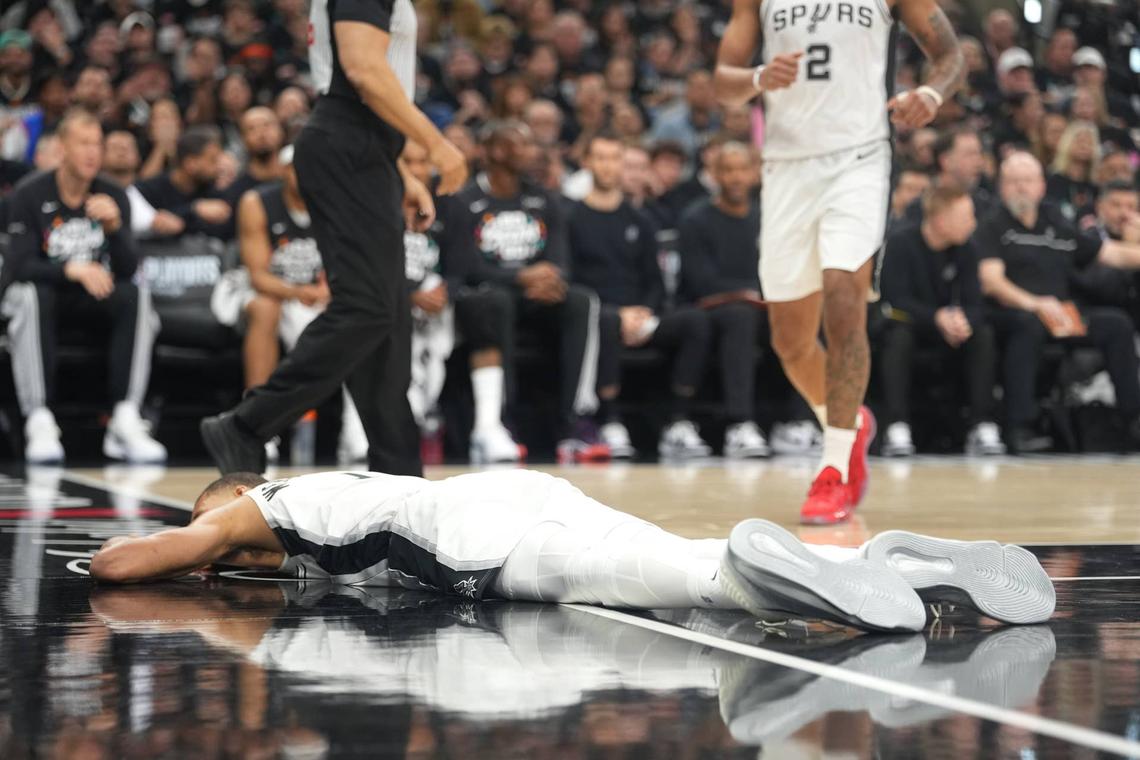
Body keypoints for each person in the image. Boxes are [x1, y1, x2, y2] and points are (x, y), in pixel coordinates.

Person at [87, 468, 1057, 634]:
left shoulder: (264, 503)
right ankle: (892, 563)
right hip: (517, 499)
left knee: (679, 586)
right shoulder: (339, 495)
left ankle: (754, 565)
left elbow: (145, 556)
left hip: (482, 542)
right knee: (646, 553)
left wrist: (100, 562)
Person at [714, 0, 964, 523]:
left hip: (859, 158)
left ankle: (833, 468)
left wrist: (931, 93)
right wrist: (759, 76)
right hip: (785, 168)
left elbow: (950, 54)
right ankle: (848, 421)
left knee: (844, 293)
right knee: (791, 340)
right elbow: (723, 83)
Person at [199, 0, 468, 476]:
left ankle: (398, 472)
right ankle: (247, 423)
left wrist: (399, 174)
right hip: (348, 143)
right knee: (365, 307)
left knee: (387, 317)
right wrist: (436, 143)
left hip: (367, 150)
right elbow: (363, 70)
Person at [0, 109, 164, 464]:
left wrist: (116, 229)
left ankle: (125, 416)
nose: (93, 152)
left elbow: (126, 268)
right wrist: (70, 270)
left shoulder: (112, 195)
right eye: (83, 144)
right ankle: (38, 417)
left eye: (97, 145)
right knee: (30, 295)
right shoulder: (29, 194)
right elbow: (17, 267)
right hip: (44, 295)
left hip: (92, 299)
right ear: (62, 148)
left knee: (136, 296)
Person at [444, 121, 607, 464]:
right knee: (495, 301)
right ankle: (501, 420)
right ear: (493, 152)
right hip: (488, 295)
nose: (531, 152)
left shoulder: (542, 198)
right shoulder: (466, 201)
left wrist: (553, 278)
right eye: (520, 144)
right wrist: (520, 276)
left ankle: (575, 420)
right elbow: (465, 268)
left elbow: (560, 259)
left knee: (581, 300)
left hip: (534, 295)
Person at [217, 144, 370, 465]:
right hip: (268, 291)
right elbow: (258, 274)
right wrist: (298, 291)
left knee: (357, 317)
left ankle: (356, 430)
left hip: (318, 296)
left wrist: (328, 289)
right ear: (285, 171)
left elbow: (347, 260)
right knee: (265, 307)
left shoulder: (336, 201)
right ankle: (257, 425)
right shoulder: (257, 202)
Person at [978, 152, 1140, 452]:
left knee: (1116, 324)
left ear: (1041, 186)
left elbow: (1111, 254)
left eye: (1027, 181)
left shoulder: (1057, 222)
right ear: (1002, 187)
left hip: (1062, 314)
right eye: (1013, 181)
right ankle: (1020, 427)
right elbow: (992, 281)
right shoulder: (994, 225)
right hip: (1013, 312)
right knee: (1027, 327)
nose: (1021, 188)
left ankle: (1133, 419)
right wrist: (1034, 304)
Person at [568, 132, 713, 460]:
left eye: (615, 158)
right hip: (599, 313)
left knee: (695, 321)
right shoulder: (572, 216)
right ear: (587, 163)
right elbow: (572, 279)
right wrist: (618, 313)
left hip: (641, 316)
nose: (609, 166)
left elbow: (655, 281)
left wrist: (644, 312)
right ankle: (609, 420)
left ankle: (678, 420)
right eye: (601, 158)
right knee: (602, 320)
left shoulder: (641, 220)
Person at [400, 139, 524, 465]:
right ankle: (362, 427)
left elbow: (461, 266)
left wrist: (444, 292)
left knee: (487, 306)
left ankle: (488, 426)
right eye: (408, 162)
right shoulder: (378, 204)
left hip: (441, 304)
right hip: (393, 300)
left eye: (421, 162)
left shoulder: (451, 204)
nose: (416, 170)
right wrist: (409, 293)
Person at [879, 183, 1004, 457]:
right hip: (912, 325)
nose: (973, 224)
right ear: (939, 220)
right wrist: (937, 318)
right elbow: (896, 300)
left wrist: (960, 320)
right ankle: (896, 426)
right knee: (898, 335)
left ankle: (982, 424)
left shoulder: (968, 248)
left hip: (949, 328)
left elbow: (975, 302)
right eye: (965, 218)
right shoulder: (901, 244)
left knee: (982, 333)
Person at [678, 143, 781, 459]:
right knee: (741, 316)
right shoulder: (696, 219)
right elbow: (700, 282)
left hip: (763, 305)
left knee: (805, 317)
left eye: (742, 169)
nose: (736, 177)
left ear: (754, 173)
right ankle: (740, 424)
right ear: (714, 175)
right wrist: (747, 293)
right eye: (728, 170)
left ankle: (799, 423)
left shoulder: (768, 217)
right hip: (711, 308)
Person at [134, 125, 234, 241]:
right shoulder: (149, 190)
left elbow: (224, 231)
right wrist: (194, 210)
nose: (219, 167)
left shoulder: (215, 189)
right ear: (190, 164)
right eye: (213, 160)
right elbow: (147, 223)